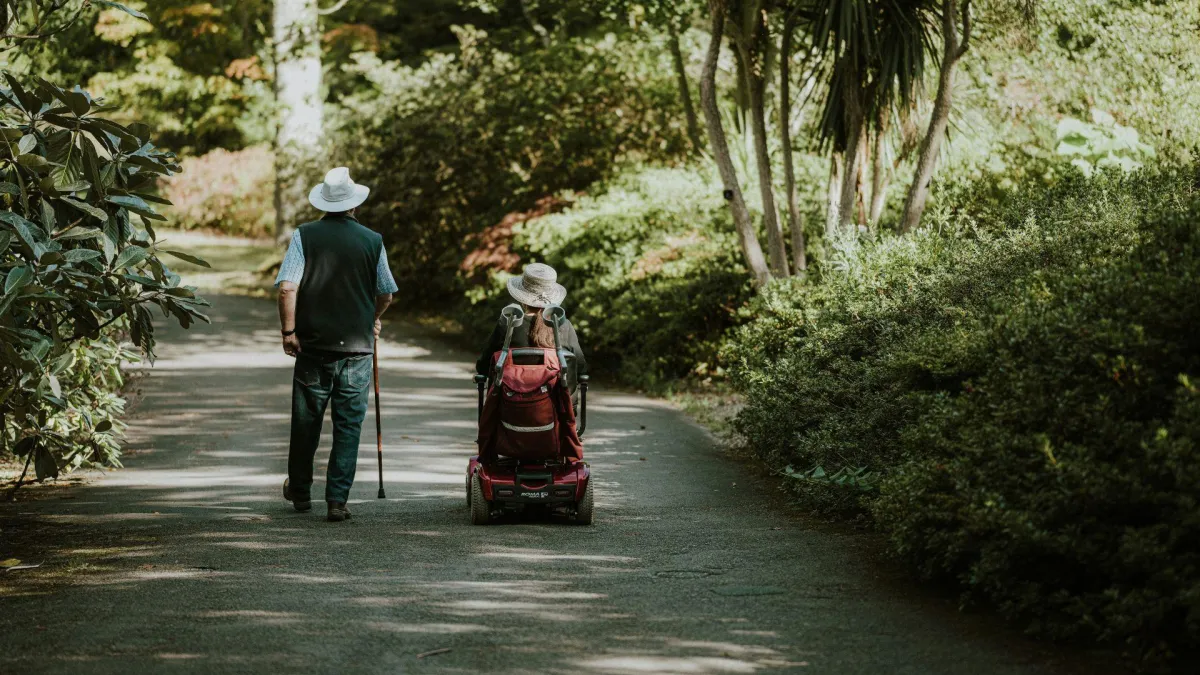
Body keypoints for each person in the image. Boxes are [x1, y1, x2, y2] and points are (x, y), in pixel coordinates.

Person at [275, 167, 398, 523]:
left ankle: (299, 492)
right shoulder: (373, 240)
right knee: (348, 426)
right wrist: (370, 318)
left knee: (306, 423)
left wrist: (288, 331)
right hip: (358, 351)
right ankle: (337, 501)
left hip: (313, 347)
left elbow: (287, 287)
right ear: (354, 204)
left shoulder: (305, 236)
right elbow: (386, 293)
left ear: (324, 203)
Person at [475, 263, 588, 391]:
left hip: (509, 402)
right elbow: (581, 367)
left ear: (522, 298)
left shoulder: (507, 324)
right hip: (555, 402)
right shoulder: (563, 326)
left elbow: (483, 366)